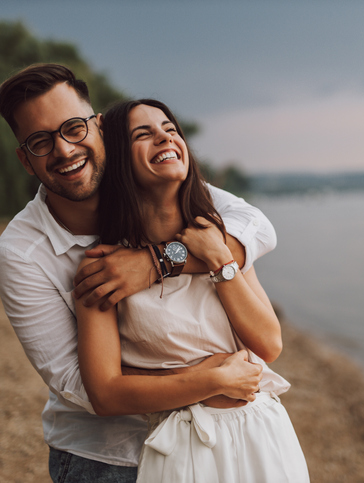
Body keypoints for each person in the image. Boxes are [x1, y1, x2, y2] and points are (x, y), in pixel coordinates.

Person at [0, 63, 279, 482]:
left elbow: (253, 227)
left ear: (100, 128)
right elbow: (82, 386)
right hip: (106, 458)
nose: (65, 150)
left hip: (217, 441)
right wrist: (212, 376)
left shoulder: (155, 184)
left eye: (74, 128)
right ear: (24, 158)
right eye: (40, 141)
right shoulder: (22, 254)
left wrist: (157, 263)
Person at [75, 98, 309, 482]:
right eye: (143, 134)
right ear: (117, 156)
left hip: (262, 431)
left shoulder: (219, 239)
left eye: (170, 129)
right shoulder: (105, 268)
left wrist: (219, 260)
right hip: (183, 447)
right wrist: (212, 380)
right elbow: (105, 395)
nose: (164, 138)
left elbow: (268, 344)